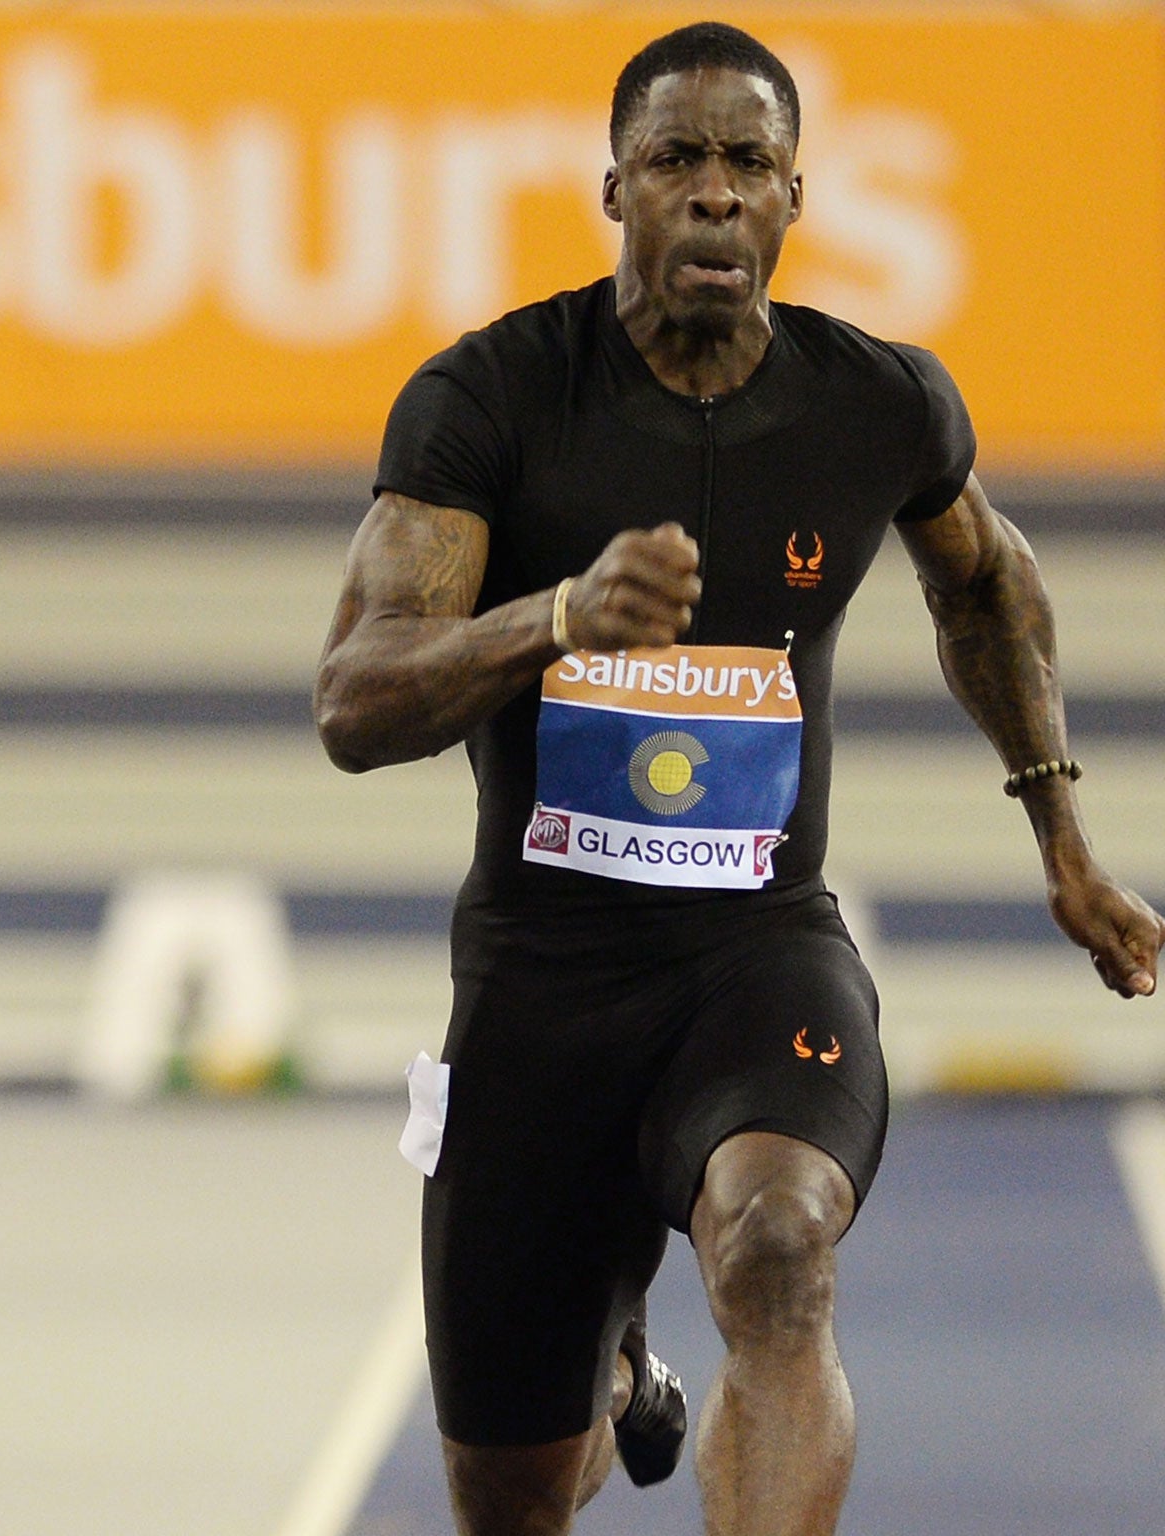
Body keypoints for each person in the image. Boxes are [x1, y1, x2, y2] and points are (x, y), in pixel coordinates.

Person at [314, 21, 1162, 1536]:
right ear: (614, 191)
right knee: (516, 1500)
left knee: (780, 1252)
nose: (715, 195)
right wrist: (557, 614)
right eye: (677, 162)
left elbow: (991, 588)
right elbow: (356, 699)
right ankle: (617, 1373)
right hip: (541, 982)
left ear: (795, 197)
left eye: (748, 163)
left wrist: (1064, 833)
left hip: (758, 957)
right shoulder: (490, 400)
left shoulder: (876, 402)